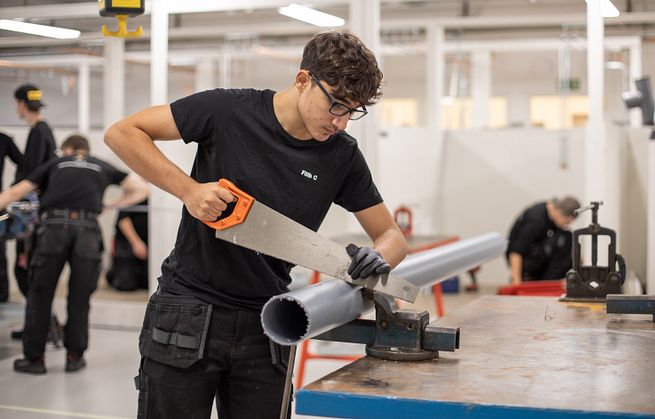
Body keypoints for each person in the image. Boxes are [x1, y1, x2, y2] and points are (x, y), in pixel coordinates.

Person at [105, 30, 407, 418]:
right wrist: (189, 191)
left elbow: (391, 236)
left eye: (353, 111)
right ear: (302, 81)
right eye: (336, 105)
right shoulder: (227, 110)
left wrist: (378, 257)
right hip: (189, 311)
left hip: (270, 323)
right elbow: (123, 133)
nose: (342, 122)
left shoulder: (341, 156)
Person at [0, 134, 148, 374]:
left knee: (40, 296)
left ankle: (35, 360)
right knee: (79, 298)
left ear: (67, 150)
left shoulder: (56, 163)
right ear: (86, 150)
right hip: (87, 233)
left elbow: (15, 192)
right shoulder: (101, 164)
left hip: (54, 230)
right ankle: (74, 357)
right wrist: (111, 206)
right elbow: (140, 189)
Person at [13, 83, 57, 297]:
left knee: (25, 269)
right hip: (36, 208)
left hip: (33, 212)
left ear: (21, 104)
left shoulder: (39, 132)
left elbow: (32, 174)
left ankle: (39, 328)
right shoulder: (42, 130)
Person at [506, 196, 580, 285]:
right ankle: (537, 280)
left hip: (536, 258)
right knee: (565, 238)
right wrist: (517, 281)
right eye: (567, 222)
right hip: (524, 263)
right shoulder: (536, 220)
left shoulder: (551, 213)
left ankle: (549, 282)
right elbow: (516, 251)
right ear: (559, 213)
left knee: (567, 237)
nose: (566, 225)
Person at [106, 198, 149, 291]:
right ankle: (113, 273)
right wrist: (136, 243)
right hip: (127, 242)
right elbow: (123, 220)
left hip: (148, 243)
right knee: (125, 285)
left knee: (149, 283)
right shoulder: (137, 191)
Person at [0, 131, 23, 302]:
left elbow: (24, 164)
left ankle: (2, 293)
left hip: (0, 203)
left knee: (0, 249)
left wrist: (14, 190)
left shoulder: (4, 139)